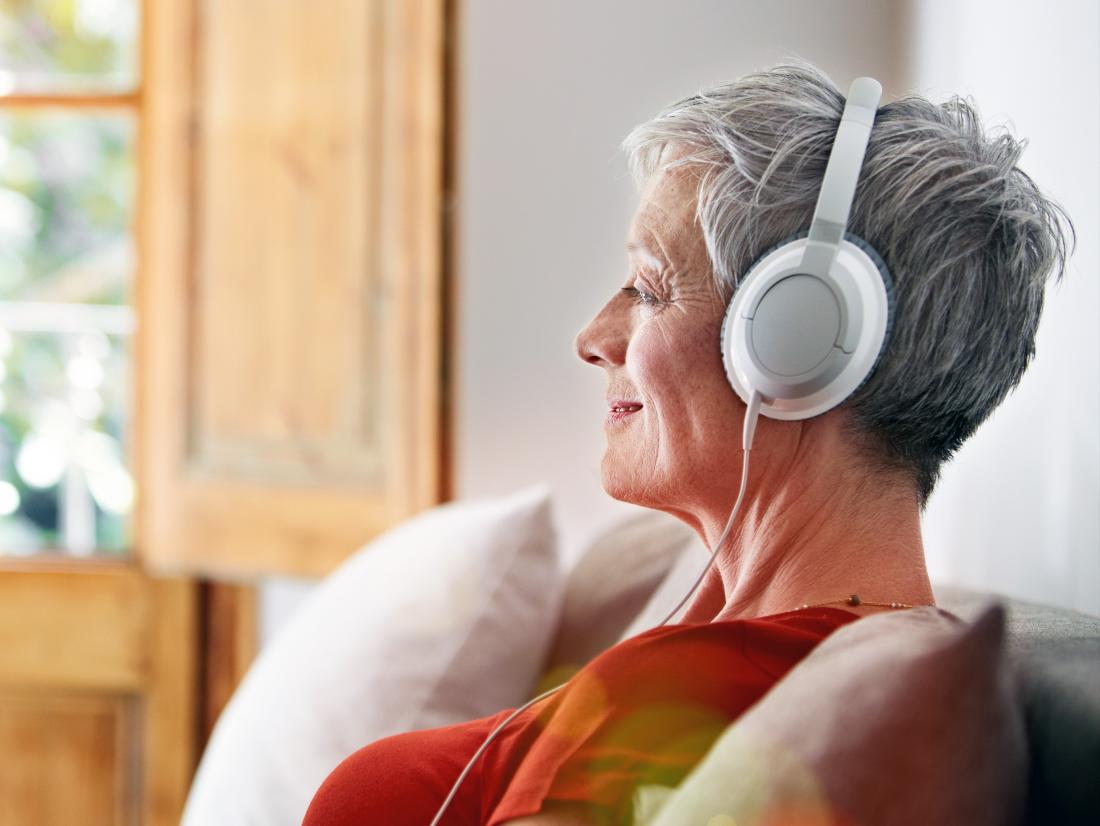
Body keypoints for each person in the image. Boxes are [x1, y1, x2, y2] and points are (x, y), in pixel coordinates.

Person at [302, 58, 1074, 826]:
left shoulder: (696, 690)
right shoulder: (750, 650)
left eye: (649, 287)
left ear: (794, 338)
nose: (594, 338)